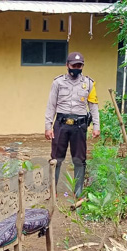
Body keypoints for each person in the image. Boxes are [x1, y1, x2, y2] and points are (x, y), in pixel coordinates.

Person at [44, 51, 100, 198]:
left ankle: (78, 192)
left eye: (79, 65)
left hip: (80, 126)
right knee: (56, 158)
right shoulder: (58, 82)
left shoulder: (88, 83)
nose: (76, 68)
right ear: (67, 65)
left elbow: (93, 106)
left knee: (79, 159)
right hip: (61, 124)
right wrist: (48, 126)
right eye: (74, 65)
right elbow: (51, 105)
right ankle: (52, 190)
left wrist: (96, 126)